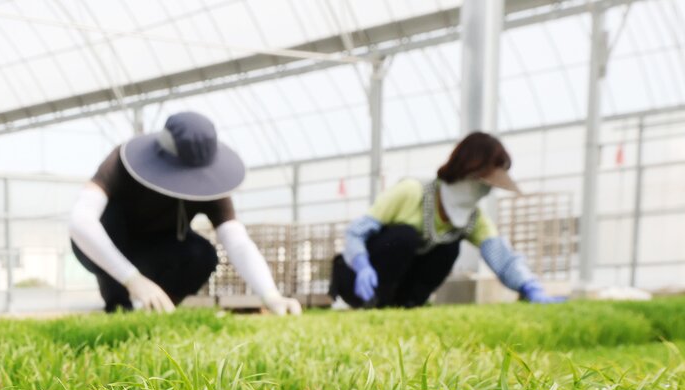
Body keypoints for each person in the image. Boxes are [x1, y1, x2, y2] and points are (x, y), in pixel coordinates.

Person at [69, 112, 303, 316]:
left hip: (160, 250)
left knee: (202, 255)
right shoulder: (121, 162)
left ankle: (158, 308)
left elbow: (237, 240)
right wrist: (133, 279)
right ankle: (119, 305)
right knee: (108, 220)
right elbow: (81, 220)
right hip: (114, 247)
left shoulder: (211, 183)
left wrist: (271, 295)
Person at [332, 132, 562, 309]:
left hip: (399, 287)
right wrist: (361, 266)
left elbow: (502, 257)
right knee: (404, 236)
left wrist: (530, 287)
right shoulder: (412, 191)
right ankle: (368, 302)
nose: (484, 191)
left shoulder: (473, 218)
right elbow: (355, 232)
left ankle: (405, 305)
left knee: (449, 247)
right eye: (482, 182)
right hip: (357, 278)